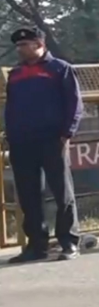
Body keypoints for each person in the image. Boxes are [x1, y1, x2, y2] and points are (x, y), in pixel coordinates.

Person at [4, 28, 83, 264]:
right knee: (29, 195)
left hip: (52, 139)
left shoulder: (60, 68)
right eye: (18, 46)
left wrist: (67, 132)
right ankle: (36, 245)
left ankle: (68, 242)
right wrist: (11, 134)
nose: (20, 49)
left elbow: (74, 103)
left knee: (62, 192)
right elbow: (11, 106)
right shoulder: (16, 74)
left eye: (25, 44)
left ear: (39, 44)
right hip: (22, 142)